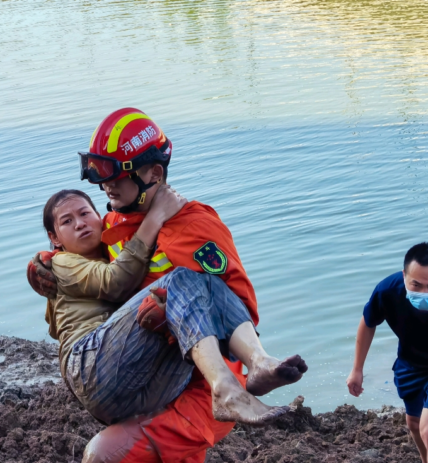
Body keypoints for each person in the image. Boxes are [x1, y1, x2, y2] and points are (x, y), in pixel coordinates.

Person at [29, 108, 308, 462]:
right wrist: (44, 263)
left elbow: (234, 305)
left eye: (116, 176)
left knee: (104, 454)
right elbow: (88, 273)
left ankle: (257, 363)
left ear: (154, 173)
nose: (105, 186)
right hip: (134, 368)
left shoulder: (193, 225)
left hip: (195, 386)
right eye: (100, 175)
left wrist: (173, 321)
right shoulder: (112, 224)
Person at [41, 187, 298, 426]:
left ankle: (258, 361)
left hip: (137, 388)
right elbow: (114, 282)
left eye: (85, 213)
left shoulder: (112, 247)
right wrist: (157, 215)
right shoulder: (60, 263)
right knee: (180, 280)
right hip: (90, 368)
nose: (80, 223)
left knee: (207, 283)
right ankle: (225, 389)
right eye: (67, 221)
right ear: (54, 238)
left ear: (99, 217)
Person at [346, 242, 428, 463]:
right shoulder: (388, 290)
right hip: (410, 364)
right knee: (414, 424)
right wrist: (357, 369)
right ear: (404, 276)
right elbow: (368, 322)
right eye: (416, 284)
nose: (424, 293)